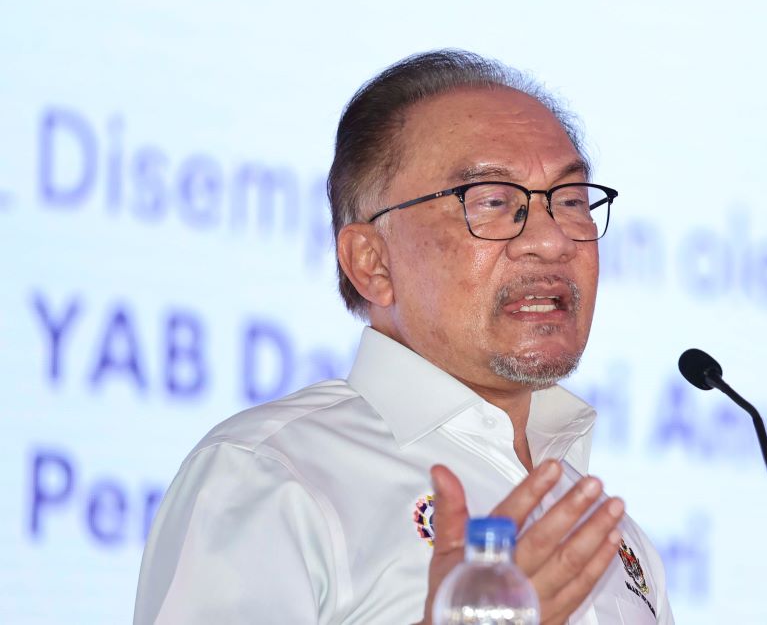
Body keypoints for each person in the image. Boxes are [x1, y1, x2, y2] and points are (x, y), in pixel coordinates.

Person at [134, 50, 675, 624]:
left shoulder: (614, 533)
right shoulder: (270, 474)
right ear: (372, 263)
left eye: (570, 201)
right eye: (493, 202)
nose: (551, 240)